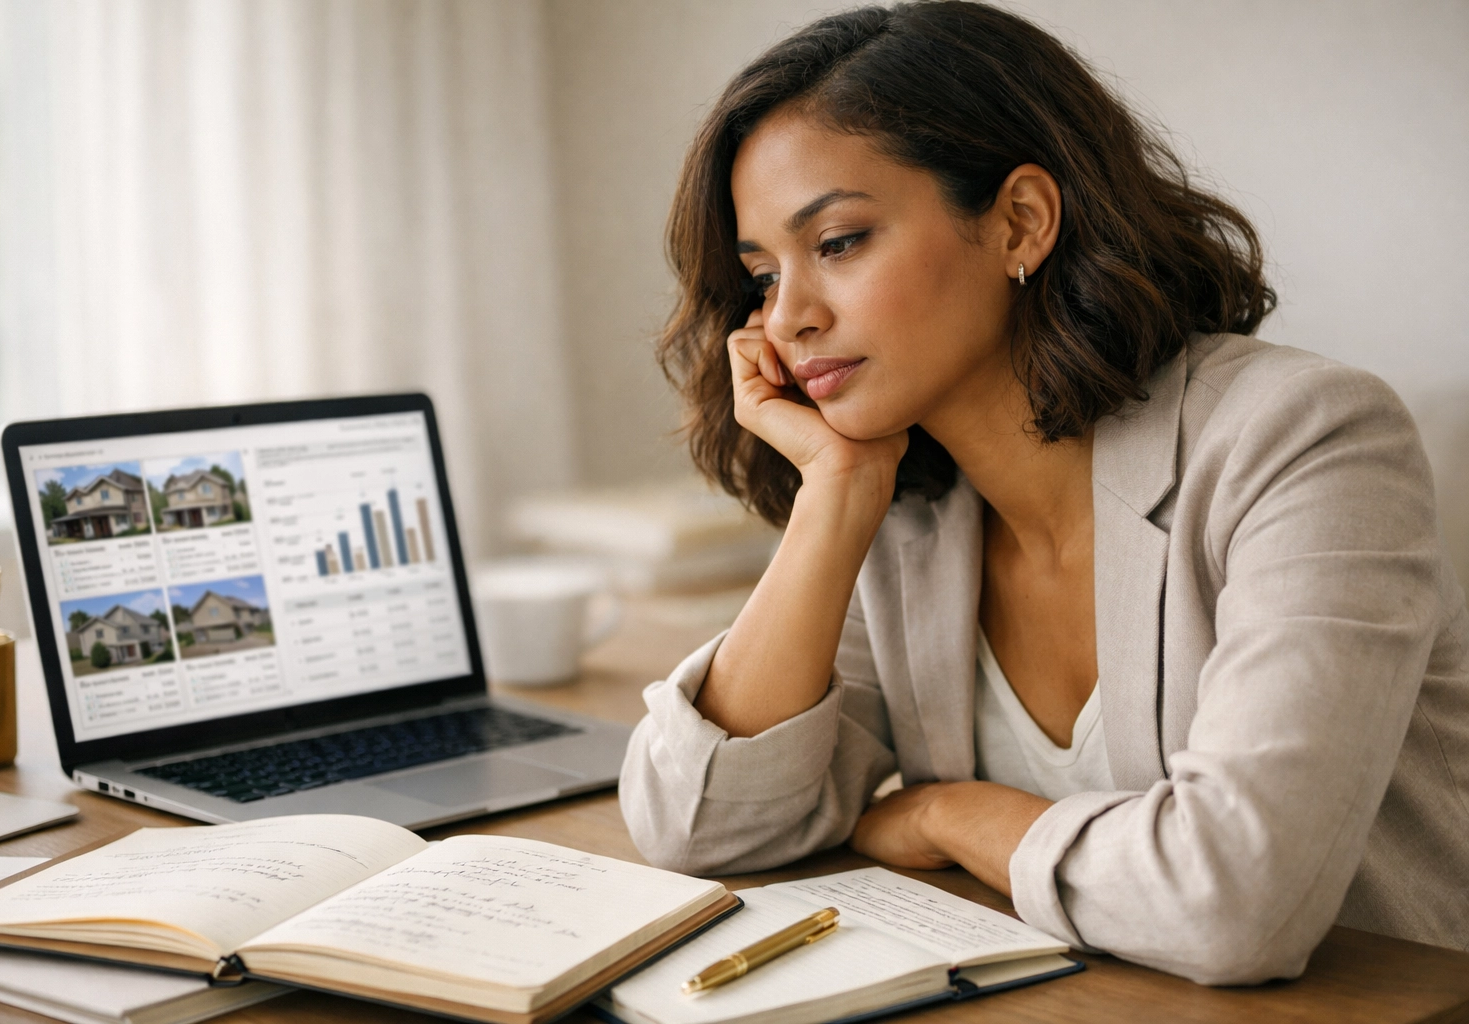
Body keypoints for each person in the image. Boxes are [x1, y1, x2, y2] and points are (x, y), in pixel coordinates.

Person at [618, 0, 1469, 986]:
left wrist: (953, 811)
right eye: (763, 276)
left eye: (840, 242)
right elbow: (703, 824)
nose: (790, 318)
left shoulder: (1307, 439)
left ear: (1021, 220)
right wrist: (837, 494)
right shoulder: (907, 502)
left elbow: (1237, 901)